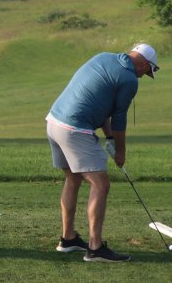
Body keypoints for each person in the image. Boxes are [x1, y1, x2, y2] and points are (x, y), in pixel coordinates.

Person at [47, 43, 159, 263]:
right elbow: (119, 120)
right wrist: (121, 152)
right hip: (74, 129)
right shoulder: (129, 79)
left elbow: (102, 107)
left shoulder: (103, 57)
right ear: (146, 64)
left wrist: (109, 139)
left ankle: (68, 239)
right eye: (147, 72)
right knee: (101, 184)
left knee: (73, 179)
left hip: (53, 122)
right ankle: (95, 248)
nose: (143, 76)